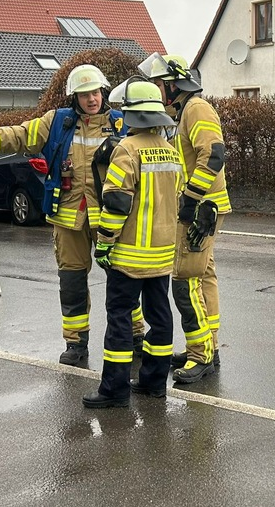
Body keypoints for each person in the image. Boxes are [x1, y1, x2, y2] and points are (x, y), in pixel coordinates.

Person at [0, 64, 144, 365]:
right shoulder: (58, 123)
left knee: (123, 280)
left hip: (110, 220)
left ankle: (136, 336)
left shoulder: (121, 124)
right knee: (72, 282)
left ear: (103, 92)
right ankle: (76, 343)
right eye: (84, 94)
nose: (92, 99)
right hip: (69, 219)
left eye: (96, 92)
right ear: (74, 98)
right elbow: (20, 135)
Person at [82, 78, 180, 408]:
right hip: (162, 255)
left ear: (131, 114)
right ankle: (154, 383)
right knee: (161, 316)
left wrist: (105, 243)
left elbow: (116, 205)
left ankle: (115, 389)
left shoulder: (126, 150)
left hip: (128, 257)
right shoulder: (171, 151)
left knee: (121, 320)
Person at [139, 54, 231, 384]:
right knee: (203, 277)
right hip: (203, 208)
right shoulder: (183, 112)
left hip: (200, 211)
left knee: (184, 281)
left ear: (173, 84)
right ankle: (209, 347)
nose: (155, 90)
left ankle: (200, 356)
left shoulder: (196, 109)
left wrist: (191, 201)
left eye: (158, 84)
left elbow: (214, 155)